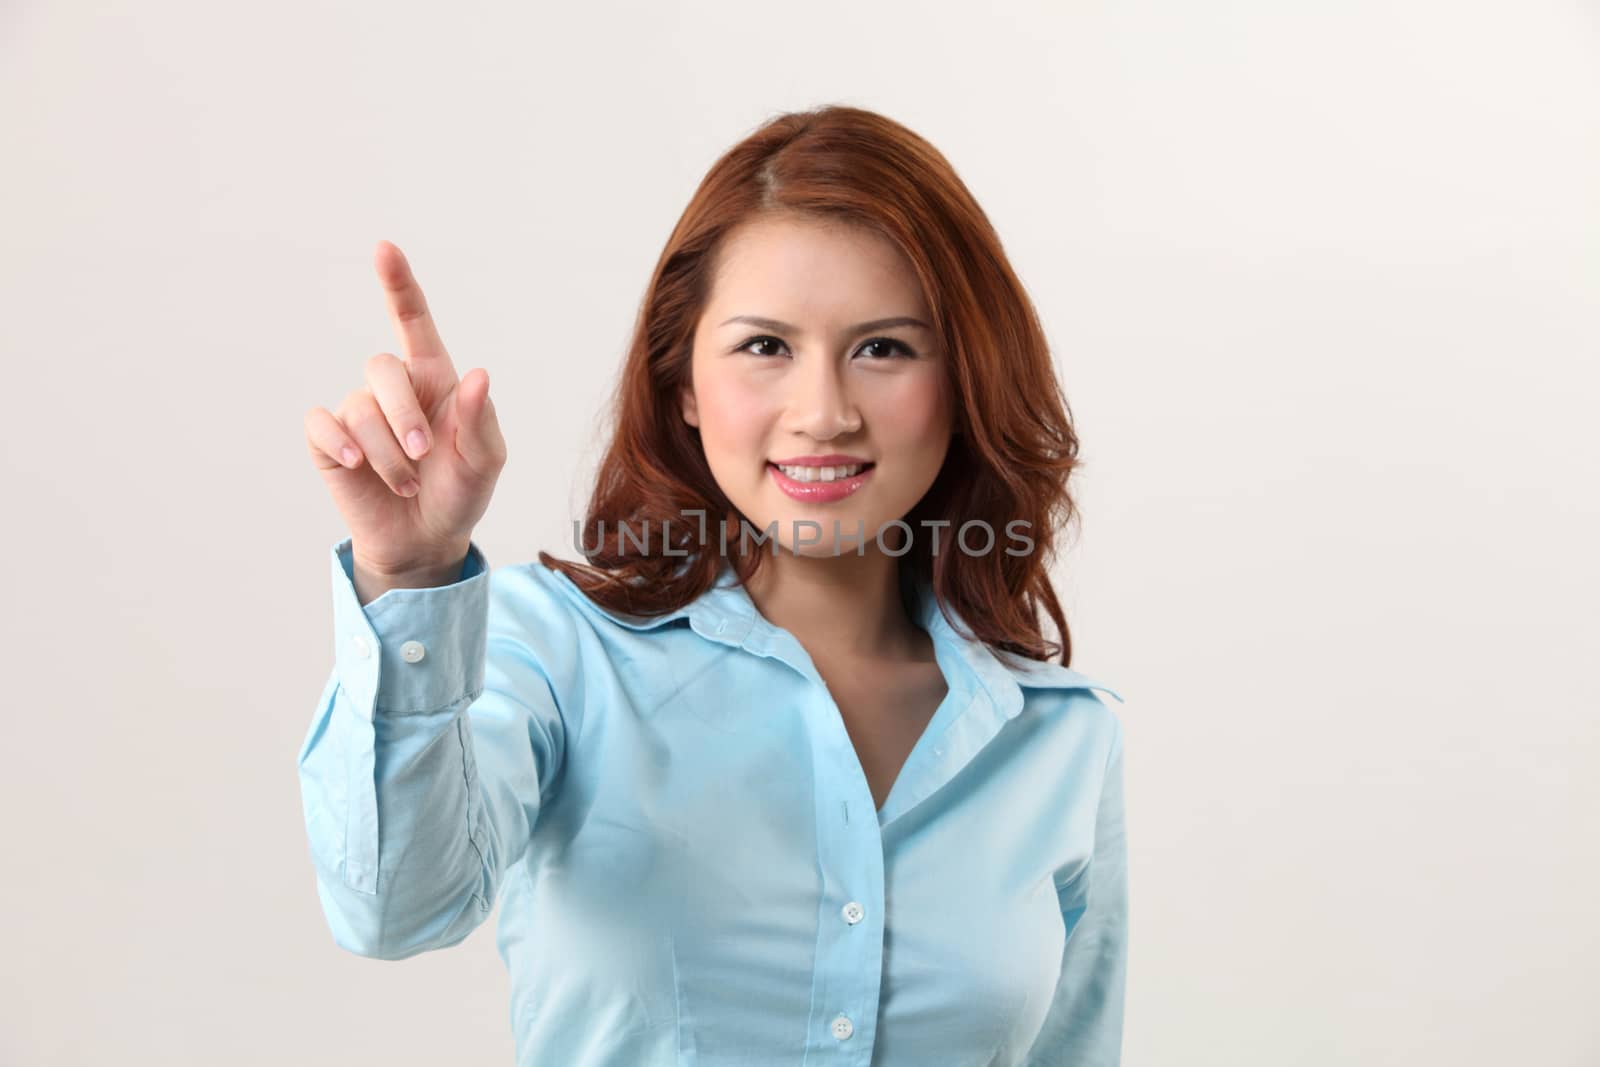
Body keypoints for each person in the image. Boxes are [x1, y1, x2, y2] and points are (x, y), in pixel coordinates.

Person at [298, 104, 1128, 1067]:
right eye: (765, 347)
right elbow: (394, 905)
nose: (823, 413)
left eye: (884, 348)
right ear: (683, 381)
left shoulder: (1061, 736)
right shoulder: (556, 653)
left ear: (965, 381)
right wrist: (408, 573)